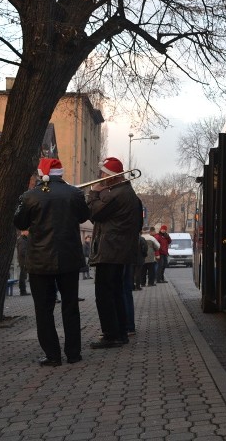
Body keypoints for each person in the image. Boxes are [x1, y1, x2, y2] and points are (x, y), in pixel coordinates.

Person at [13, 158, 90, 366]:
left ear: (41, 173)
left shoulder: (29, 196)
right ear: (61, 173)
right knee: (70, 306)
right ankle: (73, 353)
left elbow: (19, 221)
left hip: (39, 259)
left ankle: (52, 355)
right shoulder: (75, 193)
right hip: (69, 258)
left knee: (43, 309)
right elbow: (84, 216)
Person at [87, 157, 143, 349]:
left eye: (103, 174)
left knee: (105, 293)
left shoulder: (115, 195)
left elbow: (94, 213)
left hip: (110, 250)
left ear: (111, 177)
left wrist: (93, 194)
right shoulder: (126, 192)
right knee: (116, 291)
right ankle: (120, 332)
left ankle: (111, 335)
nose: (100, 177)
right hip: (119, 250)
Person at [16, 230, 30, 295]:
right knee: (23, 276)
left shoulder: (23, 239)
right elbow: (22, 251)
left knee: (23, 276)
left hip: (23, 260)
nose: (28, 232)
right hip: (23, 260)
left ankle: (23, 290)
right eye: (27, 231)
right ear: (23, 232)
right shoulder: (22, 240)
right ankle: (23, 291)